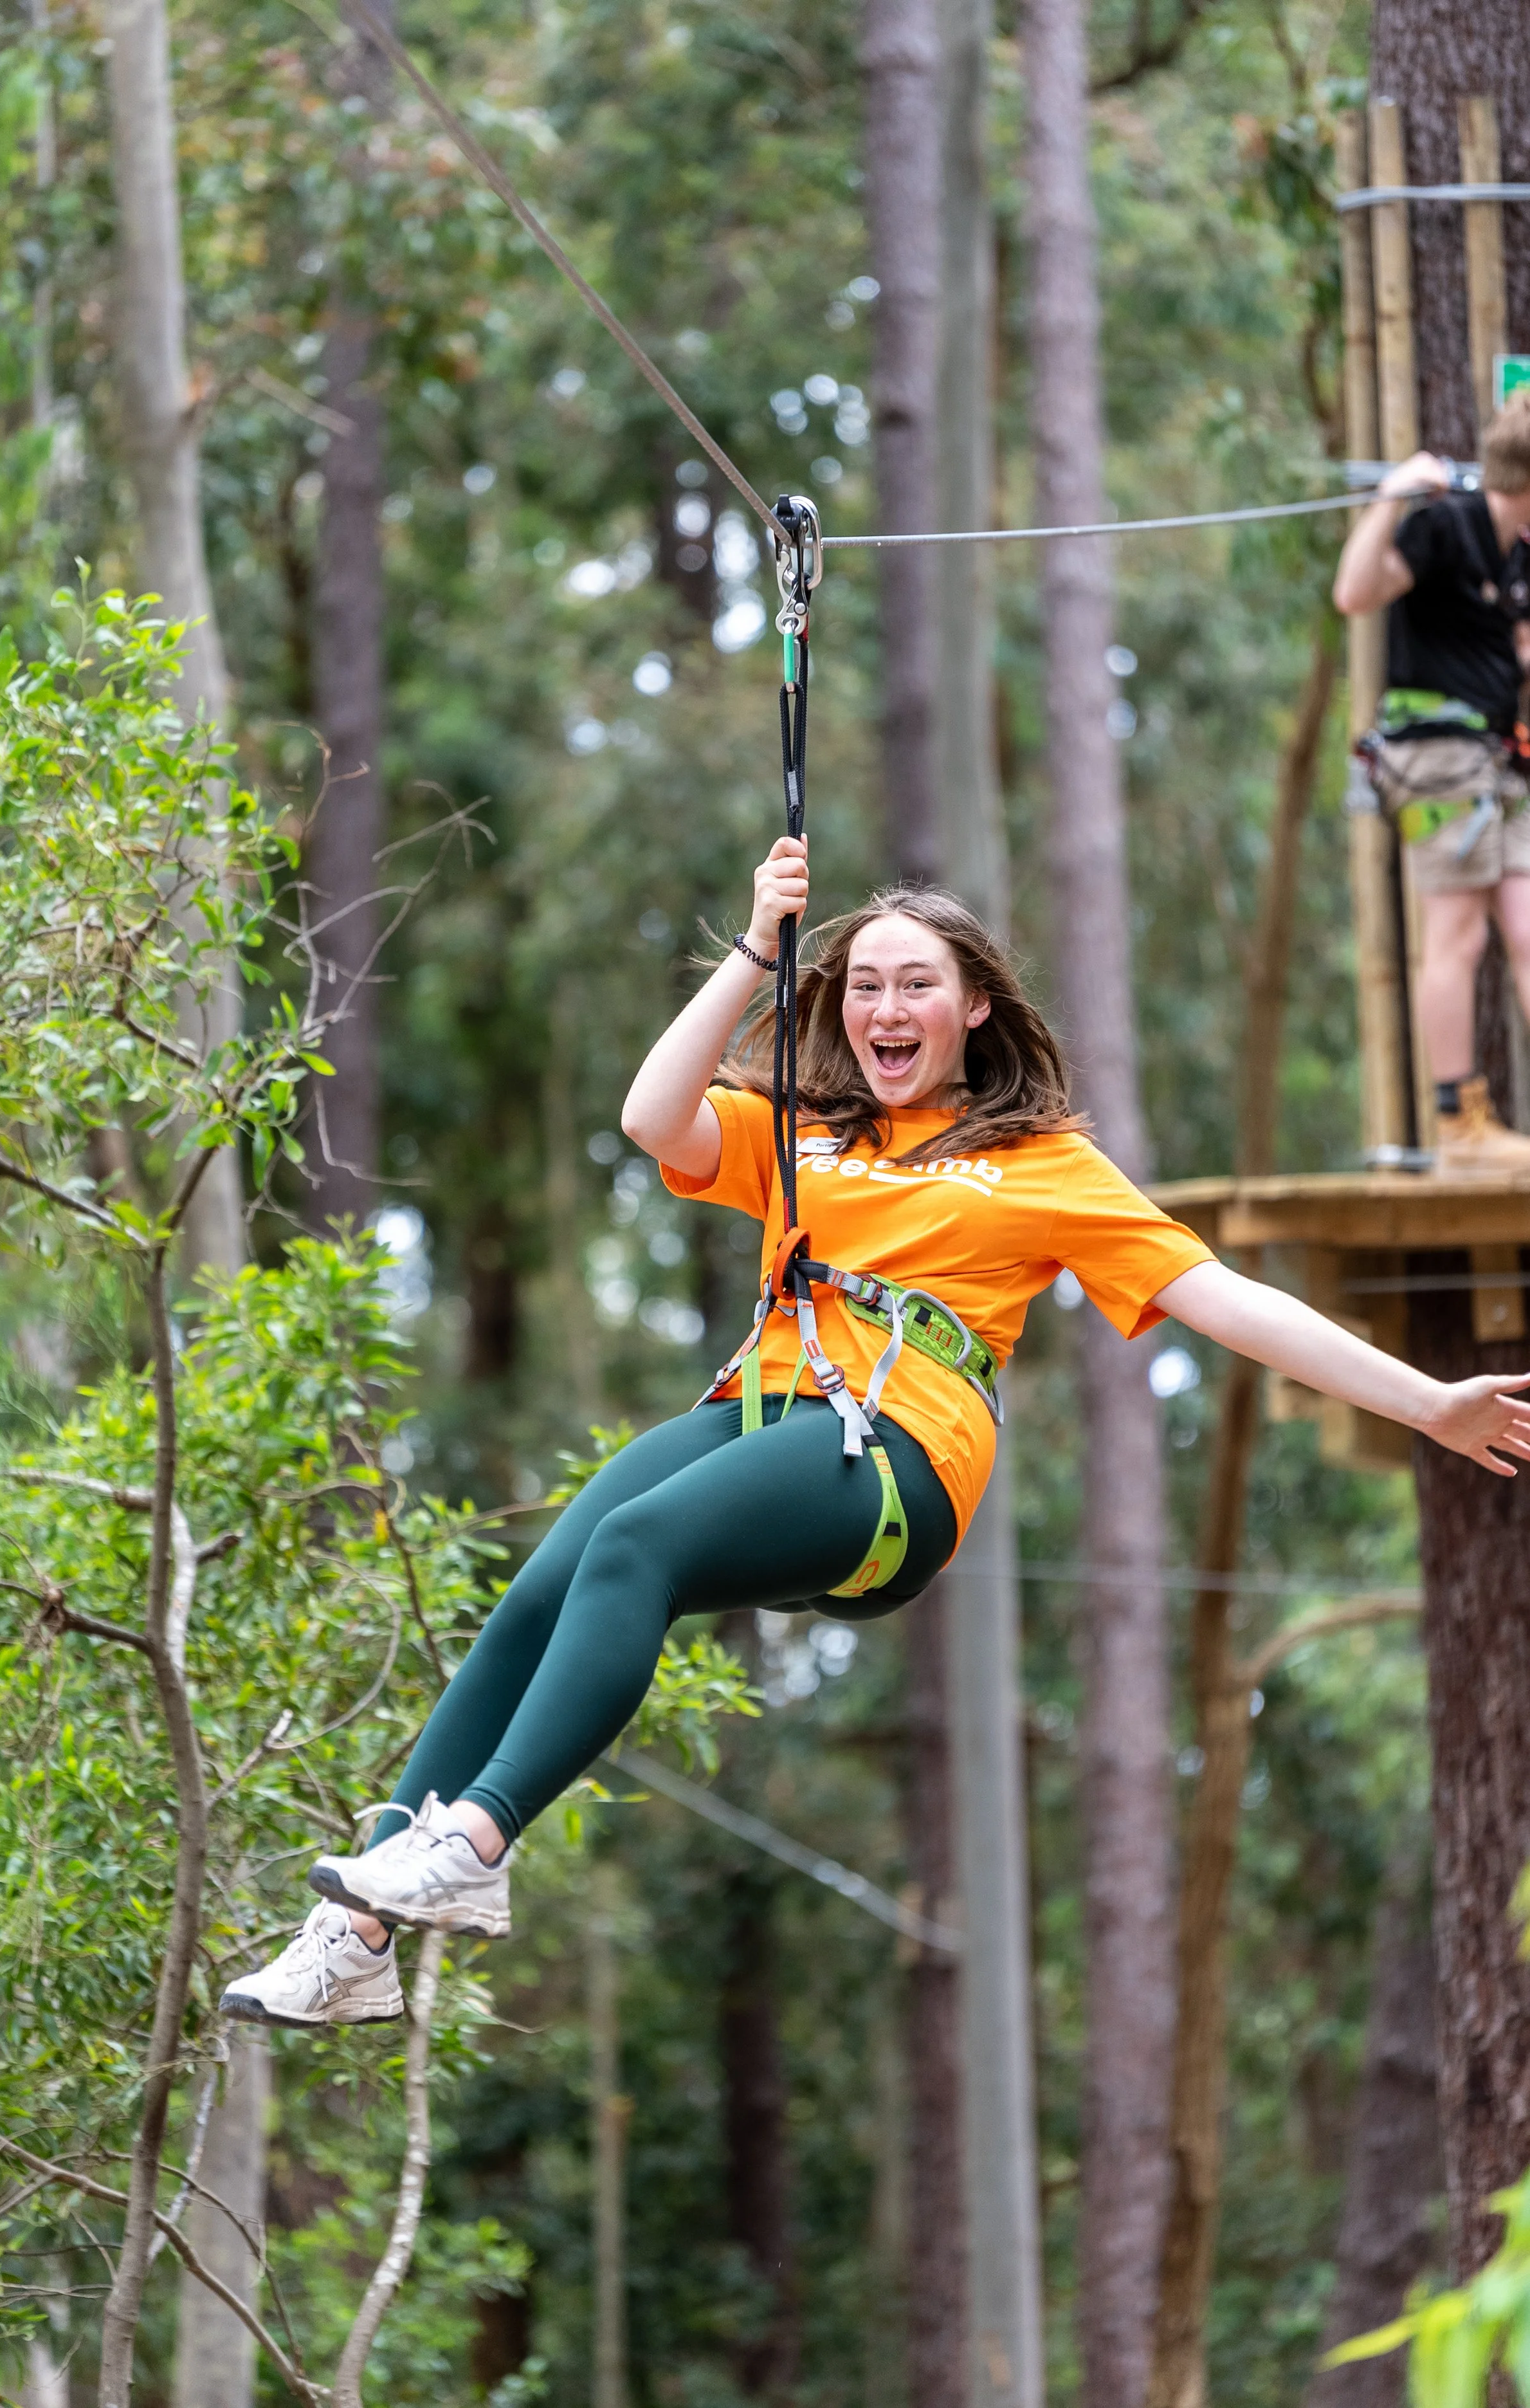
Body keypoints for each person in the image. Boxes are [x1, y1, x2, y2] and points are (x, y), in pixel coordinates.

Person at [223, 838, 1530, 2027]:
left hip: (893, 1457)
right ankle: (354, 1932)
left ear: (972, 1008)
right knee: (542, 1586)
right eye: (860, 986)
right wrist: (754, 941)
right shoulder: (809, 1136)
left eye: (913, 986)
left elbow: (1225, 1300)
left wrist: (1427, 1402)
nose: (883, 1010)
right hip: (758, 1409)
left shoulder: (1043, 1163)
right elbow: (649, 1117)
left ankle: (477, 1842)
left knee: (635, 1544)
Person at [1333, 394, 1530, 1172]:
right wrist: (1390, 498)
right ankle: (1461, 1128)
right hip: (1435, 762)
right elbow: (1354, 593)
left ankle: (1473, 1126)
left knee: (1524, 929)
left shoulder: (1517, 554)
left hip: (1497, 761)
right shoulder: (1443, 524)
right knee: (1458, 933)